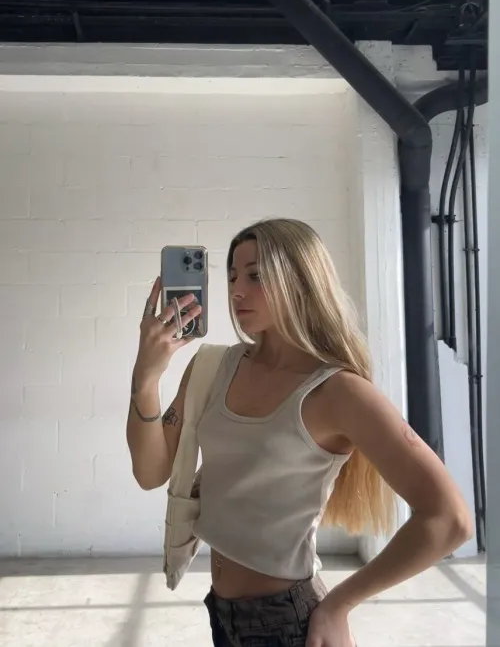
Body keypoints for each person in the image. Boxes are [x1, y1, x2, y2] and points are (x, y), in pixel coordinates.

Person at [126, 218, 473, 647]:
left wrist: (340, 605)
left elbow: (449, 518)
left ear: (301, 280)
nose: (237, 291)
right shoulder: (212, 367)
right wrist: (145, 378)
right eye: (232, 276)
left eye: (256, 276)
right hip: (221, 613)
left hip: (289, 625)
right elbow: (149, 472)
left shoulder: (338, 391)